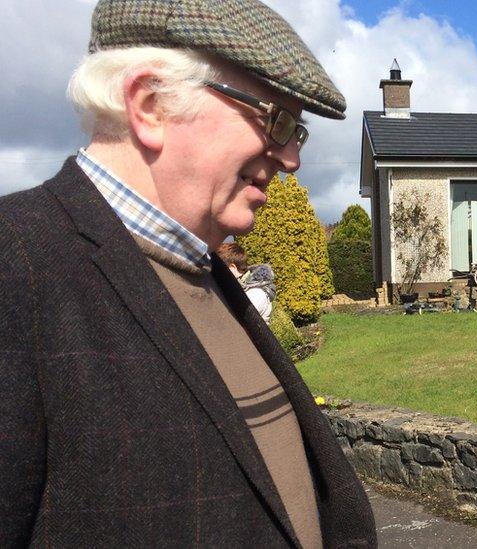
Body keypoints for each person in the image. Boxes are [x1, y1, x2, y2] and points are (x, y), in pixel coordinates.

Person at [0, 1, 375, 547]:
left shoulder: (203, 272)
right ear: (151, 105)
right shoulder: (15, 267)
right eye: (277, 120)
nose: (291, 157)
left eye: (299, 132)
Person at [217, 242, 276, 323]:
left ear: (232, 268)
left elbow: (230, 321)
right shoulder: (242, 287)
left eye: (220, 269)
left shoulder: (256, 294)